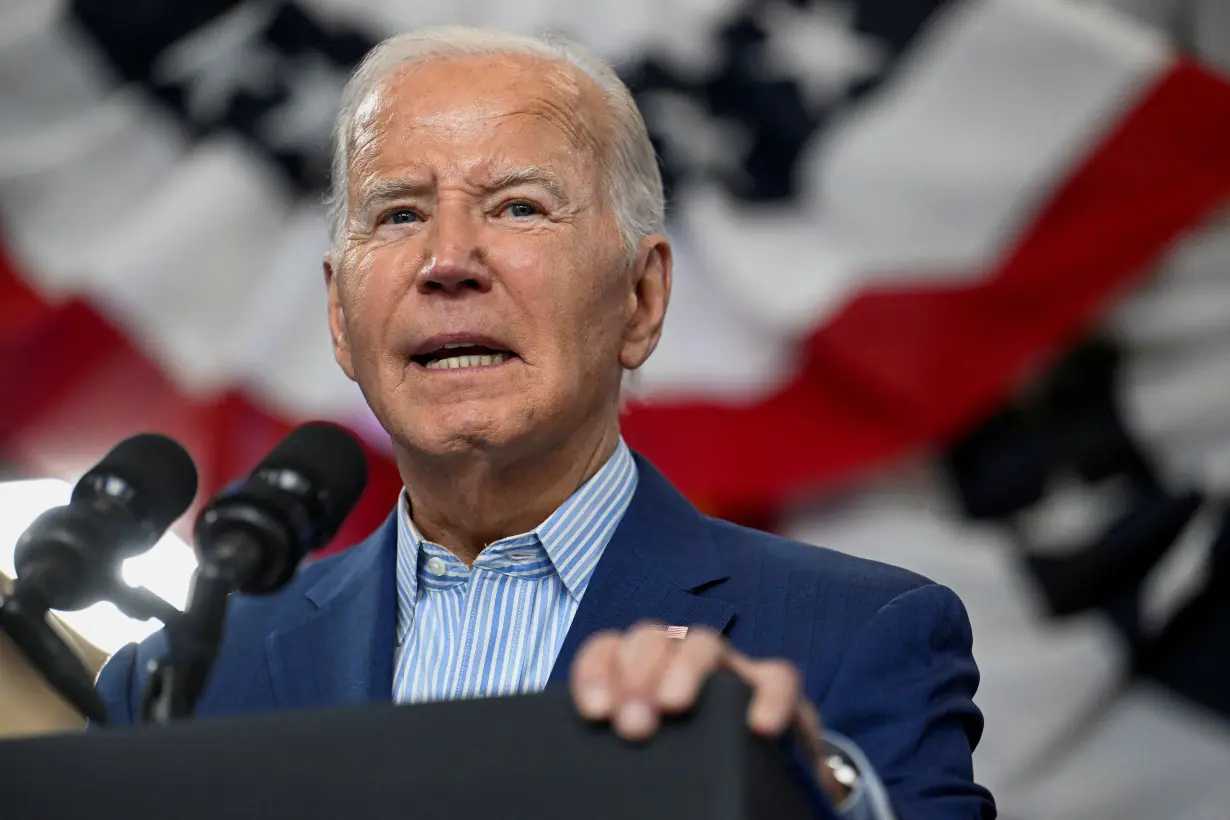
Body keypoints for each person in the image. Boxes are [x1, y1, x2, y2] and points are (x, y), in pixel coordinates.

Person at [94, 26, 995, 819]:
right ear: (338, 315)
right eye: (400, 213)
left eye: (518, 206)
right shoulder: (177, 683)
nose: (447, 261)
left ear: (640, 300)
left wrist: (811, 793)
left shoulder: (862, 631)